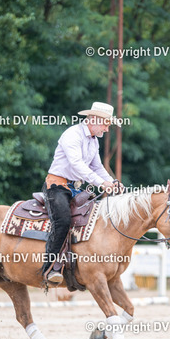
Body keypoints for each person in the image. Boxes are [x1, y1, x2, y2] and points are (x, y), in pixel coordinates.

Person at [42, 102, 121, 284]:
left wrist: (111, 181)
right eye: (106, 124)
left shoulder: (93, 141)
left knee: (95, 219)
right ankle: (50, 268)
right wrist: (101, 183)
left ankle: (83, 266)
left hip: (75, 188)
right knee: (62, 221)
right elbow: (77, 164)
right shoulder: (72, 135)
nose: (107, 129)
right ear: (94, 119)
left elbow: (97, 167)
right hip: (57, 186)